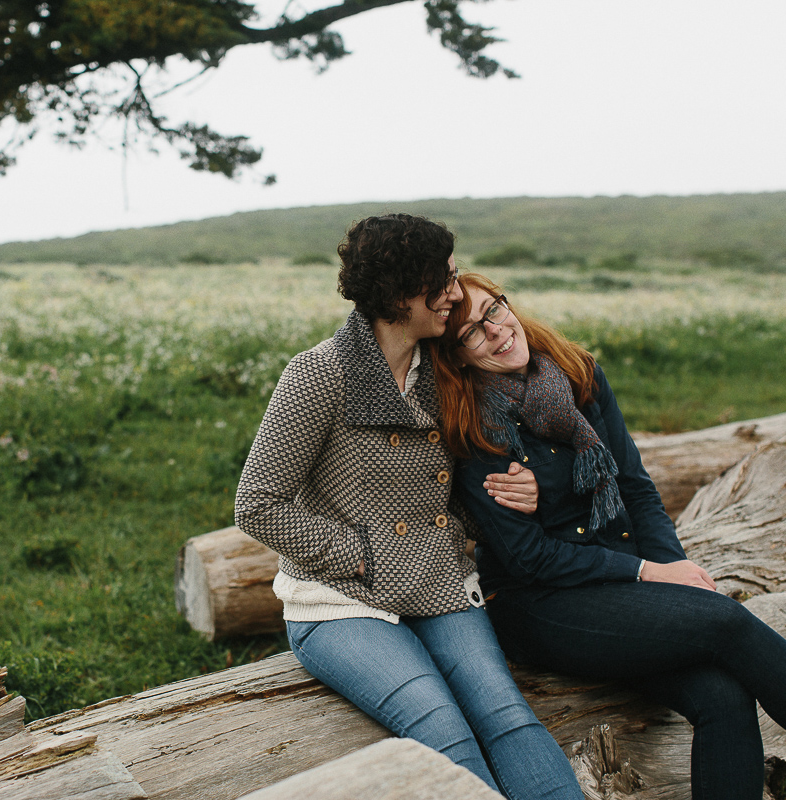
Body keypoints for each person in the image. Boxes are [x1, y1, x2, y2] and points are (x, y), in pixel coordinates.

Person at [429, 271, 786, 800]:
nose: (496, 330)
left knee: (723, 694)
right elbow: (529, 558)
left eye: (494, 309)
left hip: (619, 585)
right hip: (539, 605)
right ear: (457, 357)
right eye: (473, 332)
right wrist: (647, 572)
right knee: (725, 619)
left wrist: (670, 575)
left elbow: (636, 490)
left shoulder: (577, 374)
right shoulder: (473, 428)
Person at [235, 214, 583, 799]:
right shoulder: (320, 374)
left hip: (438, 582)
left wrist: (515, 492)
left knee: (508, 716)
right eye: (442, 281)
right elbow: (257, 504)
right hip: (339, 599)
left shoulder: (442, 370)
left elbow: (458, 491)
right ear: (400, 296)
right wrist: (365, 553)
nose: (456, 292)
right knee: (441, 730)